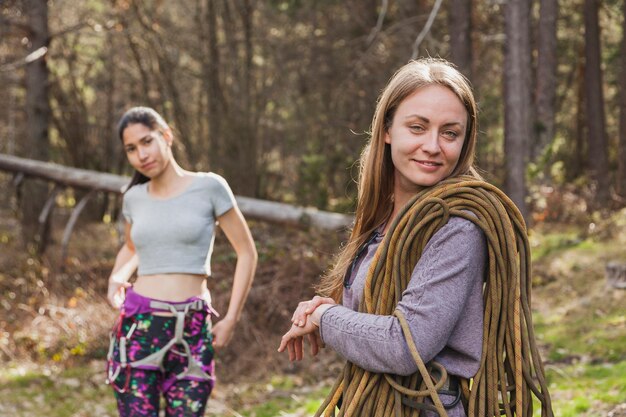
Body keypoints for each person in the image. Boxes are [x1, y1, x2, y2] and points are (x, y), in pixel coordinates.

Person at [278, 58, 553, 417]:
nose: (433, 146)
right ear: (388, 129)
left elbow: (404, 347)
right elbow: (374, 322)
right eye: (418, 127)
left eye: (450, 133)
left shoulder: (458, 226)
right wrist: (325, 310)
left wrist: (326, 319)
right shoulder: (382, 222)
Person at [105, 106, 257, 417]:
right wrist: (115, 279)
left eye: (147, 142)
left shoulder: (210, 187)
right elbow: (131, 248)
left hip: (193, 327)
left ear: (167, 136)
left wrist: (230, 318)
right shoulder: (133, 198)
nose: (141, 155)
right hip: (140, 325)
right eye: (131, 149)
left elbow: (246, 252)